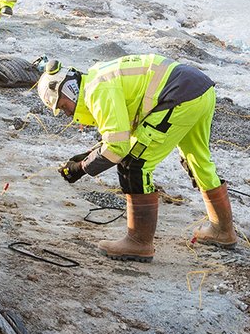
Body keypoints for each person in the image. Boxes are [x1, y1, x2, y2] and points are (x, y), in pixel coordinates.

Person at [35, 54, 238, 262]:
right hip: (198, 88)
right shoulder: (98, 78)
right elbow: (125, 132)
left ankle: (138, 243)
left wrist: (81, 168)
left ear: (68, 89)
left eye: (61, 106)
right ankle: (223, 230)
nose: (65, 113)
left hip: (178, 95)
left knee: (134, 165)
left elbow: (118, 148)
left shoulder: (98, 90)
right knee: (197, 159)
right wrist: (87, 157)